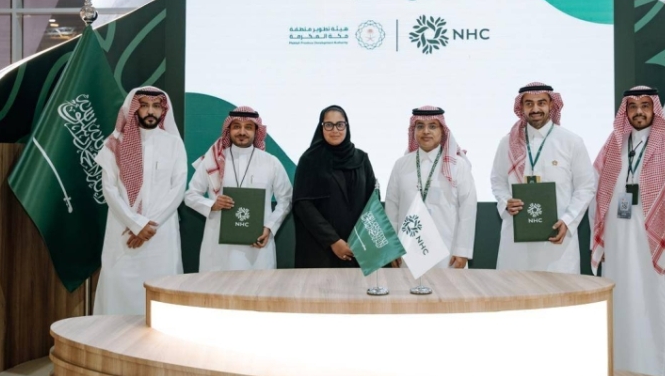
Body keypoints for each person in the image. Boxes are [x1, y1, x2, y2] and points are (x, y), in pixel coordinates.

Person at [590, 86, 665, 376]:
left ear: (655, 109)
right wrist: (601, 240)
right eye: (632, 106)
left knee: (659, 312)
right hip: (620, 246)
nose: (639, 111)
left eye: (645, 105)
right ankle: (625, 375)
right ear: (625, 111)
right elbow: (596, 193)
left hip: (661, 249)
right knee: (624, 309)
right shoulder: (614, 144)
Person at [93, 86, 187, 315]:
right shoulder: (114, 144)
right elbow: (109, 189)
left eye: (156, 106)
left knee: (162, 287)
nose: (150, 111)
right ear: (133, 109)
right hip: (123, 231)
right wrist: (135, 223)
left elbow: (178, 189)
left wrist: (148, 225)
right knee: (118, 289)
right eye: (144, 105)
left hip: (160, 233)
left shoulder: (174, 144)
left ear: (163, 111)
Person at [491, 82, 595, 273]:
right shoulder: (507, 142)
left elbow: (586, 186)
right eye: (529, 104)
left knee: (559, 290)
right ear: (521, 107)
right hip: (516, 239)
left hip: (557, 237)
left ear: (551, 105)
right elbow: (497, 180)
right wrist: (505, 202)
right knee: (515, 288)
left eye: (541, 103)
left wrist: (568, 220)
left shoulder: (571, 141)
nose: (535, 109)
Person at [185, 107, 292, 272]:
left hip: (257, 244)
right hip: (220, 246)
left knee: (256, 286)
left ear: (256, 131)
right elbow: (190, 195)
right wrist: (211, 204)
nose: (242, 132)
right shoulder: (213, 160)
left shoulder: (271, 162)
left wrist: (270, 227)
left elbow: (286, 199)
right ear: (228, 130)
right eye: (236, 127)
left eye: (248, 127)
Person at [385, 106, 476, 269]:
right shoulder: (401, 165)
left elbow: (468, 210)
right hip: (408, 252)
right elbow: (392, 208)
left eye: (432, 126)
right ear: (413, 131)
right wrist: (392, 248)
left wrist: (462, 251)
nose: (426, 131)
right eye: (420, 126)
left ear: (443, 131)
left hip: (448, 253)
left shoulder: (458, 165)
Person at [292, 105, 376, 268]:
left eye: (340, 124)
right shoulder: (309, 160)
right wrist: (333, 241)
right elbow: (303, 205)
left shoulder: (361, 159)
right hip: (320, 249)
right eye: (329, 125)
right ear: (321, 127)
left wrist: (360, 240)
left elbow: (371, 201)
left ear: (347, 126)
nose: (335, 130)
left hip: (357, 247)